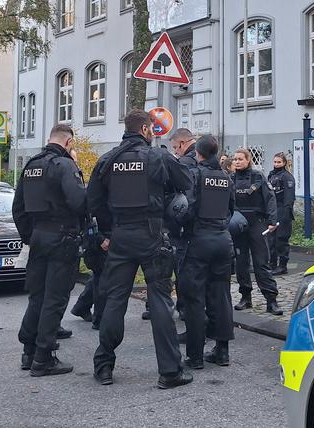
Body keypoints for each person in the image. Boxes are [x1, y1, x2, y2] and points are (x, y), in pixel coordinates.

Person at [87, 109, 194, 389]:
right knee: (160, 299)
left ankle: (104, 367)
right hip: (152, 234)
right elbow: (186, 182)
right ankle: (170, 372)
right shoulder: (157, 156)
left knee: (114, 300)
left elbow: (93, 203)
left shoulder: (107, 160)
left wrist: (109, 232)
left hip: (120, 236)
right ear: (146, 129)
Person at [13, 124, 87, 377]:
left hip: (38, 237)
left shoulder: (31, 165)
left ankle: (28, 352)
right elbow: (80, 202)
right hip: (62, 237)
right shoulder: (64, 166)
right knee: (55, 299)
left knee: (38, 296)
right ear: (68, 143)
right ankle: (44, 358)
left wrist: (30, 236)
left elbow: (18, 207)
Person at [177, 135, 236, 368]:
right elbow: (231, 209)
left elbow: (186, 208)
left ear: (198, 154)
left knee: (194, 298)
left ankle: (195, 356)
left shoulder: (195, 175)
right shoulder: (226, 178)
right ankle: (222, 352)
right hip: (223, 240)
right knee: (221, 297)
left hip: (199, 240)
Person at [144, 128, 198, 321]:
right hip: (205, 227)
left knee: (178, 268)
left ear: (183, 143)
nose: (176, 151)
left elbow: (182, 196)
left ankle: (182, 309)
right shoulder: (207, 159)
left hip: (181, 225)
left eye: (176, 147)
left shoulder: (184, 162)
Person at [230, 148, 283, 315]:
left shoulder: (257, 176)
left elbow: (270, 198)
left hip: (257, 224)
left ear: (248, 160)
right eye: (235, 159)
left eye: (240, 159)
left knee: (261, 263)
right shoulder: (230, 179)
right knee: (241, 263)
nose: (237, 161)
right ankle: (245, 297)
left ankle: (271, 300)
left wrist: (272, 220)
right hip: (238, 226)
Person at [70, 216, 107, 330]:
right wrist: (100, 238)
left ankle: (82, 306)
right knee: (102, 275)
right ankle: (99, 319)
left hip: (98, 235)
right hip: (98, 236)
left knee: (100, 275)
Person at [267, 153, 295, 275]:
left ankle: (282, 266)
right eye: (275, 162)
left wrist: (286, 214)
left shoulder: (287, 177)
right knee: (270, 239)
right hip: (272, 210)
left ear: (284, 163)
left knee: (281, 239)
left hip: (282, 210)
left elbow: (289, 198)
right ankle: (272, 264)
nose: (276, 164)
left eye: (279, 162)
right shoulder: (271, 175)